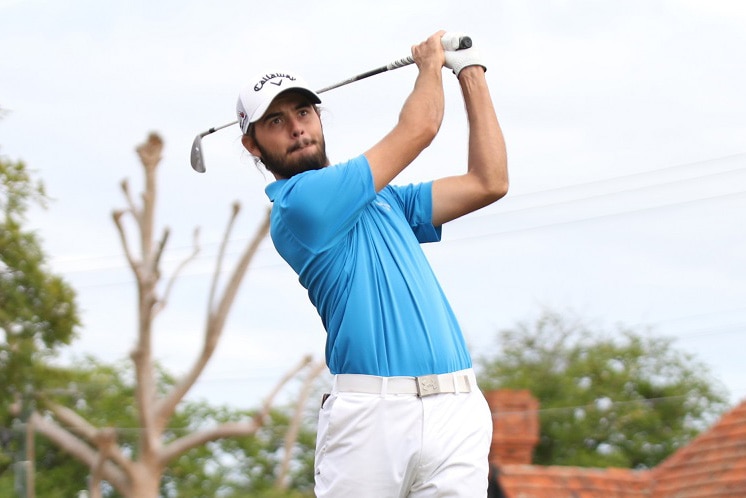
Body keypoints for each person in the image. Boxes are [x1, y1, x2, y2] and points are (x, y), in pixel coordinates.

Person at [236, 30, 508, 497]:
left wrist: (470, 72)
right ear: (253, 146)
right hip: (370, 417)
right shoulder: (299, 205)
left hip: (456, 409)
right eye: (276, 121)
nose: (297, 127)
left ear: (318, 118)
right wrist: (429, 65)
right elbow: (419, 129)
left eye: (303, 112)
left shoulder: (385, 201)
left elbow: (489, 181)